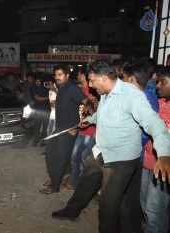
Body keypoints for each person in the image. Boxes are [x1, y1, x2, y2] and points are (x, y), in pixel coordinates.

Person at [51, 60, 170, 233]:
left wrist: (164, 154)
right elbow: (103, 113)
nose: (90, 85)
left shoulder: (131, 95)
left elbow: (154, 122)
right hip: (101, 152)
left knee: (108, 207)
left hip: (121, 160)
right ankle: (71, 211)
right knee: (85, 185)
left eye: (92, 80)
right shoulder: (106, 92)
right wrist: (89, 121)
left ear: (104, 78)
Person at [40, 65, 94, 194]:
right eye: (55, 75)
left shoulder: (72, 88)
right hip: (58, 129)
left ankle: (55, 186)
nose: (57, 77)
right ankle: (55, 178)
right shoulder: (62, 87)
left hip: (68, 130)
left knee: (60, 158)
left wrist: (90, 106)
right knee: (50, 154)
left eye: (60, 74)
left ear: (67, 75)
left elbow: (87, 101)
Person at [120, 61, 159, 233]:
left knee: (139, 202)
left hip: (136, 155)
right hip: (136, 156)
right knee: (134, 199)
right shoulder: (133, 96)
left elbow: (145, 133)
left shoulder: (146, 100)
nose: (121, 82)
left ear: (132, 80)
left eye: (123, 78)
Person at [140, 66, 170, 233]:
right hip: (148, 160)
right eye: (157, 81)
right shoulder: (158, 103)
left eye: (163, 82)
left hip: (163, 166)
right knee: (146, 205)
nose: (158, 85)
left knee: (154, 211)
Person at [63, 66, 98, 190]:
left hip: (89, 131)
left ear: (83, 75)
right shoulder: (81, 91)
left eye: (78, 74)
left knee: (83, 157)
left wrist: (94, 105)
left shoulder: (92, 92)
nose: (77, 76)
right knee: (76, 156)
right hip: (81, 129)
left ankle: (88, 184)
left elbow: (94, 113)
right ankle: (75, 181)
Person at [30, 75, 50, 147]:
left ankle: (43, 141)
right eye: (37, 81)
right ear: (34, 81)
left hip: (46, 110)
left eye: (39, 81)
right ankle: (35, 142)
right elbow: (38, 98)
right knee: (36, 127)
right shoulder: (33, 88)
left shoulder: (45, 87)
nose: (38, 82)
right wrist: (48, 97)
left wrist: (49, 89)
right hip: (38, 111)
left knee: (45, 127)